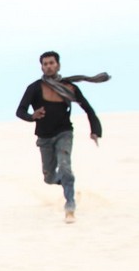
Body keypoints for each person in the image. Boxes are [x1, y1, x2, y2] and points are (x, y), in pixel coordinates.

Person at [15, 51, 109, 222]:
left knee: (65, 168)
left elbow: (88, 109)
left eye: (51, 63)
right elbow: (20, 111)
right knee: (49, 178)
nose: (48, 66)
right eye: (45, 64)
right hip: (44, 137)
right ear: (41, 67)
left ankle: (70, 207)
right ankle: (66, 182)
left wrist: (95, 130)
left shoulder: (69, 87)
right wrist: (32, 116)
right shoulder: (35, 88)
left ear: (58, 65)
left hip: (64, 133)